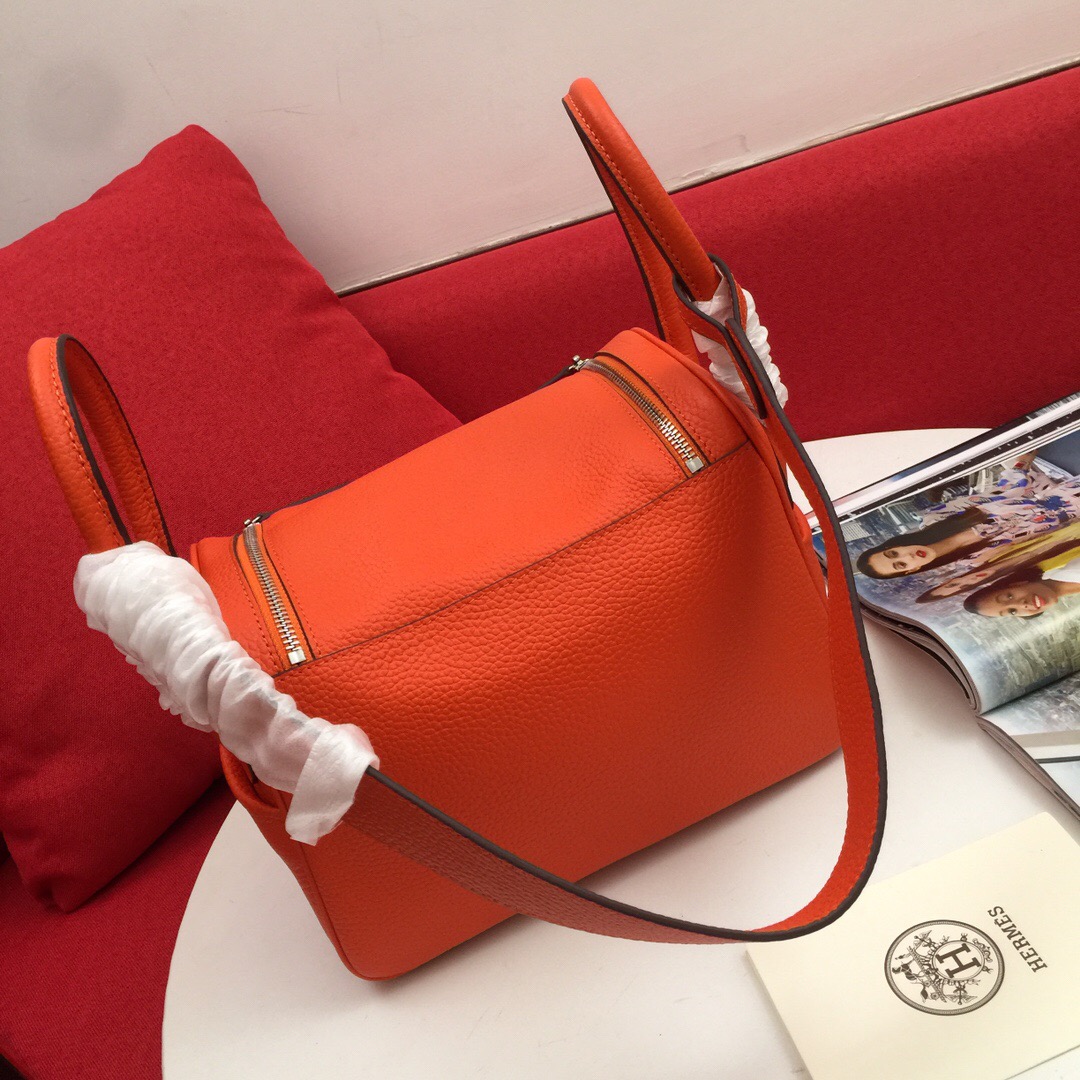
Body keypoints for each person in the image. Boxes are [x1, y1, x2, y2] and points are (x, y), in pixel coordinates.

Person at [857, 454, 1080, 579]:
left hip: (1065, 493)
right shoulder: (974, 564)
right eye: (900, 564)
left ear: (894, 544)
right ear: (911, 569)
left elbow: (1004, 494)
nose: (907, 555)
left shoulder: (938, 517)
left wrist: (1020, 464)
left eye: (893, 553)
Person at [963, 557, 1080, 617]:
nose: (1022, 605)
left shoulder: (1073, 566)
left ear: (1016, 584)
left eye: (1009, 596)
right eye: (1012, 611)